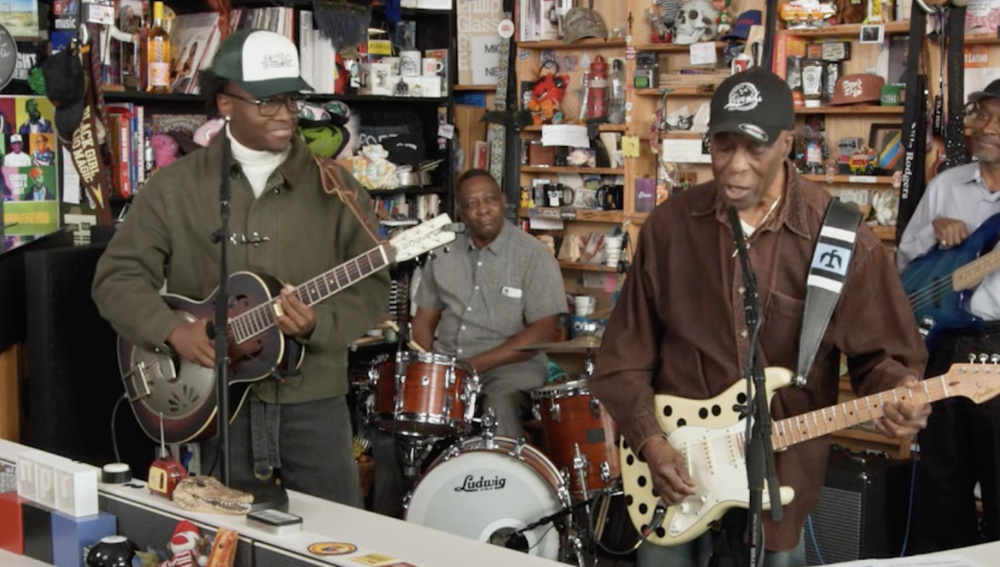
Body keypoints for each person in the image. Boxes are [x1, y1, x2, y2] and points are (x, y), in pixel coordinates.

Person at [589, 67, 930, 567]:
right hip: (671, 469)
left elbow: (883, 357)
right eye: (723, 147)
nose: (735, 167)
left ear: (788, 143)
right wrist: (650, 442)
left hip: (781, 475)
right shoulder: (669, 227)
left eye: (755, 149)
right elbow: (623, 357)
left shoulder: (838, 238)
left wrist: (898, 393)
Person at [91, 29, 390, 507]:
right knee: (226, 544)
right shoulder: (173, 187)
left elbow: (373, 285)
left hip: (312, 402)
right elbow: (116, 279)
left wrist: (319, 323)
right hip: (216, 408)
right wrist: (171, 329)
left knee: (335, 544)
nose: (285, 114)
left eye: (290, 99)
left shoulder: (337, 187)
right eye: (267, 102)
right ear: (226, 104)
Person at [372, 169, 567, 517]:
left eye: (490, 200)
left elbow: (543, 331)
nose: (483, 210)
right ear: (461, 211)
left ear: (503, 203)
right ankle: (397, 520)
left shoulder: (533, 255)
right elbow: (424, 323)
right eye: (472, 203)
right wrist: (429, 366)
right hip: (449, 365)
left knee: (499, 407)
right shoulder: (443, 253)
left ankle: (501, 515)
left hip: (511, 367)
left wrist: (480, 365)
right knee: (393, 423)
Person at [897, 78, 1000, 554]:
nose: (986, 127)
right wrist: (932, 232)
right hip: (943, 349)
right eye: (982, 114)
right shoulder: (945, 186)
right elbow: (904, 264)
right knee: (939, 490)